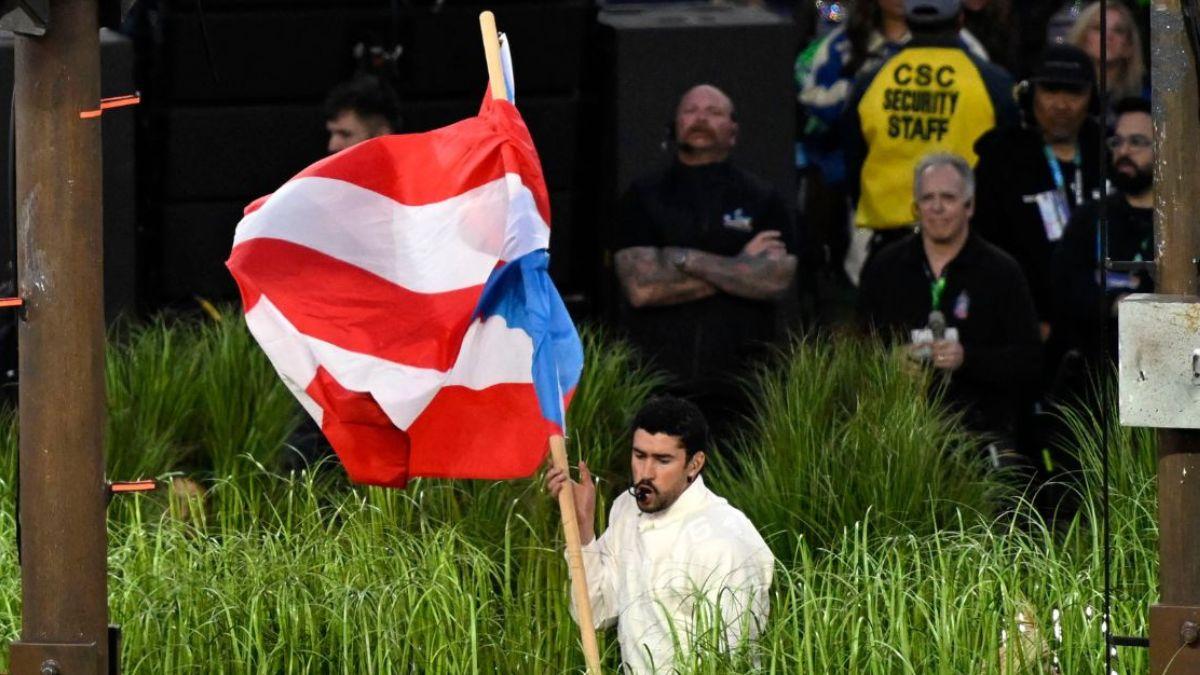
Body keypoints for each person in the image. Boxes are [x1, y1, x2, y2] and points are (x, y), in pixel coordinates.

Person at [613, 84, 798, 437]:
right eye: (691, 110)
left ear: (733, 131)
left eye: (713, 112)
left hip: (740, 380)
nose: (701, 118)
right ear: (675, 124)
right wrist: (738, 264)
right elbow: (642, 288)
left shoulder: (762, 197)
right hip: (657, 376)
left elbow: (774, 280)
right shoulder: (643, 195)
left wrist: (682, 258)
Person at [545, 396, 774, 674]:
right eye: (639, 456)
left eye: (663, 460)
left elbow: (733, 663)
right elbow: (595, 614)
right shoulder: (626, 510)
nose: (646, 473)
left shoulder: (725, 540)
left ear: (694, 464)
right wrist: (583, 531)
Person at [859, 153, 1041, 456]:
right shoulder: (885, 267)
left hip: (980, 436)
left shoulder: (1001, 271)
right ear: (916, 207)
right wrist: (890, 361)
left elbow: (1029, 360)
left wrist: (967, 358)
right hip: (899, 435)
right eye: (928, 198)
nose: (938, 208)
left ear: (969, 206)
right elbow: (858, 347)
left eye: (948, 198)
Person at [798, 0, 989, 283]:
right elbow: (811, 97)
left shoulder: (963, 45)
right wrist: (873, 91)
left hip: (948, 190)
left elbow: (985, 101)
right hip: (867, 198)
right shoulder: (840, 44)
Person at [842, 0, 1018, 283]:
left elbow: (854, 161)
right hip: (965, 236)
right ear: (960, 20)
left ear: (908, 24)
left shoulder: (871, 81)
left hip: (887, 241)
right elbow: (1009, 163)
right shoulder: (992, 82)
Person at [971, 44, 1104, 339]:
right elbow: (986, 249)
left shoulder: (1111, 153)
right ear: (1030, 96)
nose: (1061, 104)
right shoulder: (1000, 157)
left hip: (1105, 324)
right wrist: (1022, 319)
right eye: (1050, 91)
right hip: (1026, 327)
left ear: (1092, 99)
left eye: (1074, 93)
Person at [1053, 97, 1153, 369]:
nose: (1124, 151)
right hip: (1095, 370)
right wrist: (1111, 303)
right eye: (1117, 142)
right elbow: (1063, 290)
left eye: (1137, 142)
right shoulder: (1089, 218)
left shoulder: (1183, 224)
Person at [1066, 1, 1147, 118]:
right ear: (1082, 39)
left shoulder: (1146, 97)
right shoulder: (1064, 94)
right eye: (1098, 28)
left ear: (1128, 46)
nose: (1108, 36)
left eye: (1118, 30)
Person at [323, 74, 401, 154]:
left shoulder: (411, 165)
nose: (332, 146)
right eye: (331, 134)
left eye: (345, 134)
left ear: (381, 135)